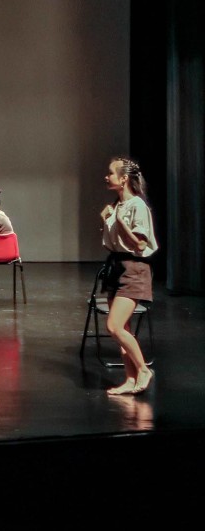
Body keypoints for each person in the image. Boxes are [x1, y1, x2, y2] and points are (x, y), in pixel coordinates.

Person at [100, 157, 157, 395]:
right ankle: (130, 380)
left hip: (134, 269)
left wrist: (120, 222)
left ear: (123, 179)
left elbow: (141, 244)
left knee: (114, 326)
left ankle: (143, 370)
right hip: (117, 266)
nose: (106, 176)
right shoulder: (117, 206)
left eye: (111, 173)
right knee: (123, 327)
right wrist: (107, 220)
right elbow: (113, 243)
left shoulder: (137, 206)